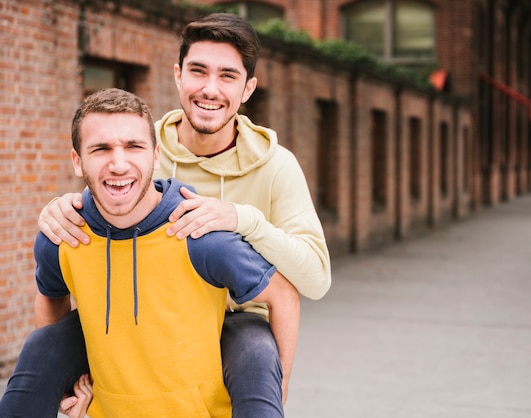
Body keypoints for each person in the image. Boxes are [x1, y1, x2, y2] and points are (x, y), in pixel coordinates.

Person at [2, 12, 330, 418]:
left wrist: (243, 220)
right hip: (150, 310)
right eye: (198, 71)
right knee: (47, 345)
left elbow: (314, 280)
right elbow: (105, 189)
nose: (210, 88)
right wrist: (59, 208)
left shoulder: (276, 165)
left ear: (248, 88)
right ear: (178, 75)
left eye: (228, 76)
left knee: (254, 347)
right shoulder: (142, 146)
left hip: (236, 317)